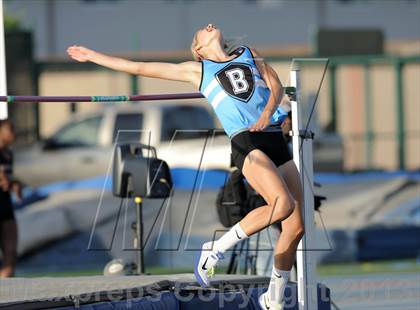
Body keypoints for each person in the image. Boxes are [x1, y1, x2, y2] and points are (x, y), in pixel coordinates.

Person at [67, 23, 304, 309]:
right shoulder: (197, 71)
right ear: (198, 49)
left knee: (296, 226)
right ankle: (214, 249)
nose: (208, 25)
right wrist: (93, 56)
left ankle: (273, 298)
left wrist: (268, 113)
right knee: (282, 204)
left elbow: (275, 84)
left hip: (273, 137)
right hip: (246, 141)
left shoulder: (248, 53)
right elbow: (138, 67)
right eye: (201, 31)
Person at [0, 119, 20, 278]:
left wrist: (14, 184)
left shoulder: (8, 154)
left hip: (6, 208)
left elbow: (9, 179)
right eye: (10, 129)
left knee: (11, 253)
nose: (14, 133)